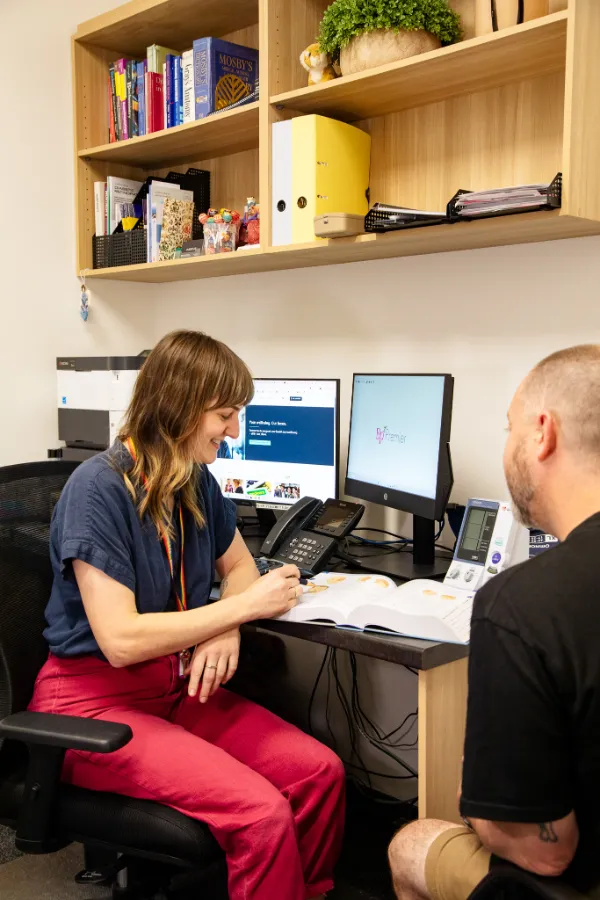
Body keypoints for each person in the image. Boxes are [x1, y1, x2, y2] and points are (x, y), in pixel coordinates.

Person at [29, 330, 345, 900]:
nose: (235, 430)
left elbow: (242, 567)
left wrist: (226, 621)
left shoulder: (192, 482)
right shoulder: (96, 490)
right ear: (177, 406)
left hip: (176, 688)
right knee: (261, 814)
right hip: (92, 708)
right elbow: (121, 639)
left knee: (318, 774)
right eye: (224, 414)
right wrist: (243, 608)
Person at [388, 344, 600, 900]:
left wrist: (476, 794)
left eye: (509, 428)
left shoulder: (521, 604)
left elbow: (545, 850)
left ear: (542, 433)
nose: (506, 446)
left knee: (410, 843)